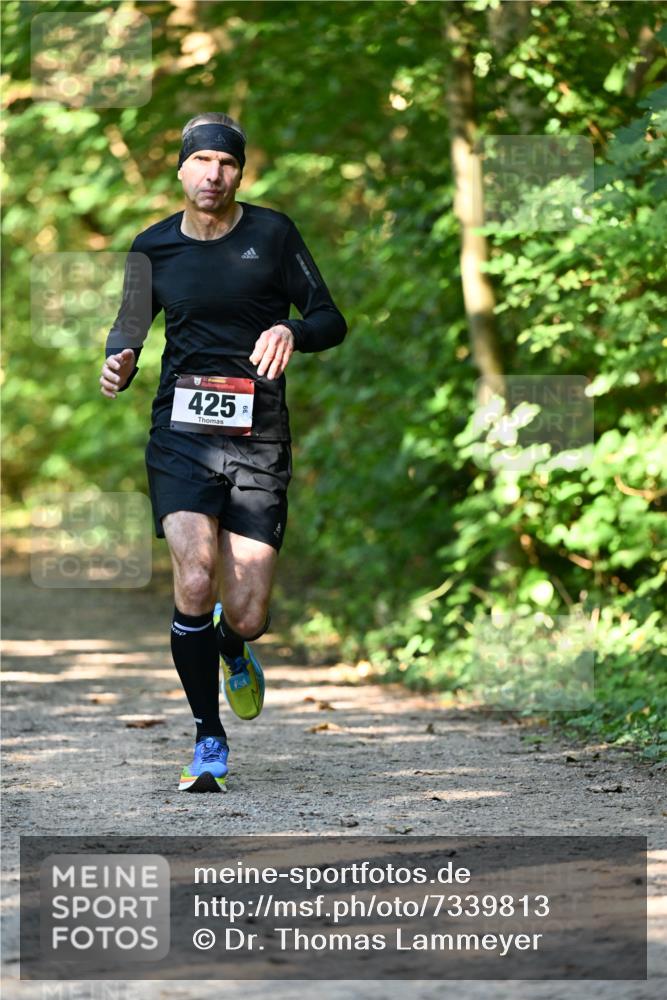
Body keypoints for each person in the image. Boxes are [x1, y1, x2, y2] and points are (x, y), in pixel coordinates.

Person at [100, 112, 347, 793]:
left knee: (245, 612)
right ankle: (208, 737)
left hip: (258, 437)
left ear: (241, 172)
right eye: (201, 161)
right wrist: (117, 359)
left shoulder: (272, 234)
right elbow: (127, 326)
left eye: (226, 163)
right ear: (179, 170)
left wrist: (293, 331)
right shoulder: (152, 247)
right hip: (180, 434)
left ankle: (232, 647)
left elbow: (331, 317)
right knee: (195, 577)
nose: (213, 174)